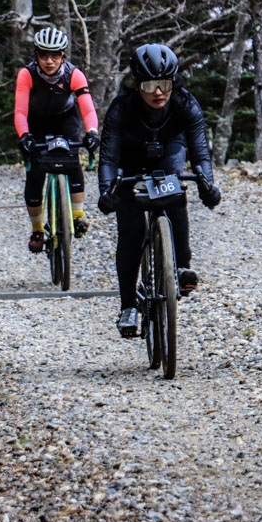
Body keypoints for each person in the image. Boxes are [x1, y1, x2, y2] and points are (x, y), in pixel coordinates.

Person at [95, 43, 221, 338]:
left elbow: (200, 153)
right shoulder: (121, 107)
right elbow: (109, 158)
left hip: (169, 152)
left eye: (164, 84)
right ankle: (128, 305)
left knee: (174, 193)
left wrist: (207, 184)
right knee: (131, 228)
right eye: (150, 85)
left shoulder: (186, 103)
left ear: (173, 82)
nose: (158, 92)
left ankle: (181, 268)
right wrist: (106, 191)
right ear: (137, 84)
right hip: (129, 159)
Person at [14, 27, 100, 252]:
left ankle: (78, 215)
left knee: (72, 161)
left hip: (65, 119)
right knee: (35, 172)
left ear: (63, 55)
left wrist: (92, 132)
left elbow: (88, 110)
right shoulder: (27, 74)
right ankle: (36, 229)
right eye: (43, 54)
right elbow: (20, 112)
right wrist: (24, 136)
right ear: (36, 55)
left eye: (55, 55)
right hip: (36, 121)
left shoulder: (74, 74)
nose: (49, 61)